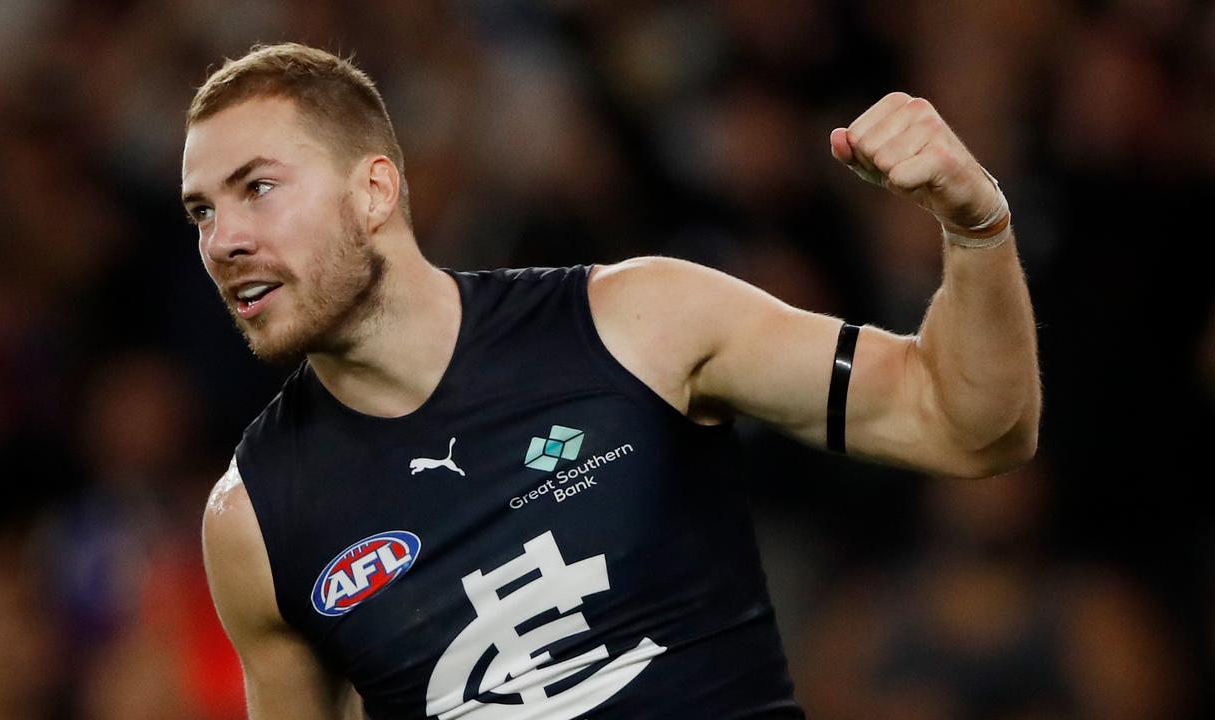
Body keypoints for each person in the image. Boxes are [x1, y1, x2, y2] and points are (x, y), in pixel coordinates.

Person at [187, 43, 1040, 720]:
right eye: (202, 212)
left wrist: (976, 224)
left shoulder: (637, 323)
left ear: (374, 191)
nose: (223, 239)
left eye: (256, 188)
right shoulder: (254, 520)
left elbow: (969, 425)